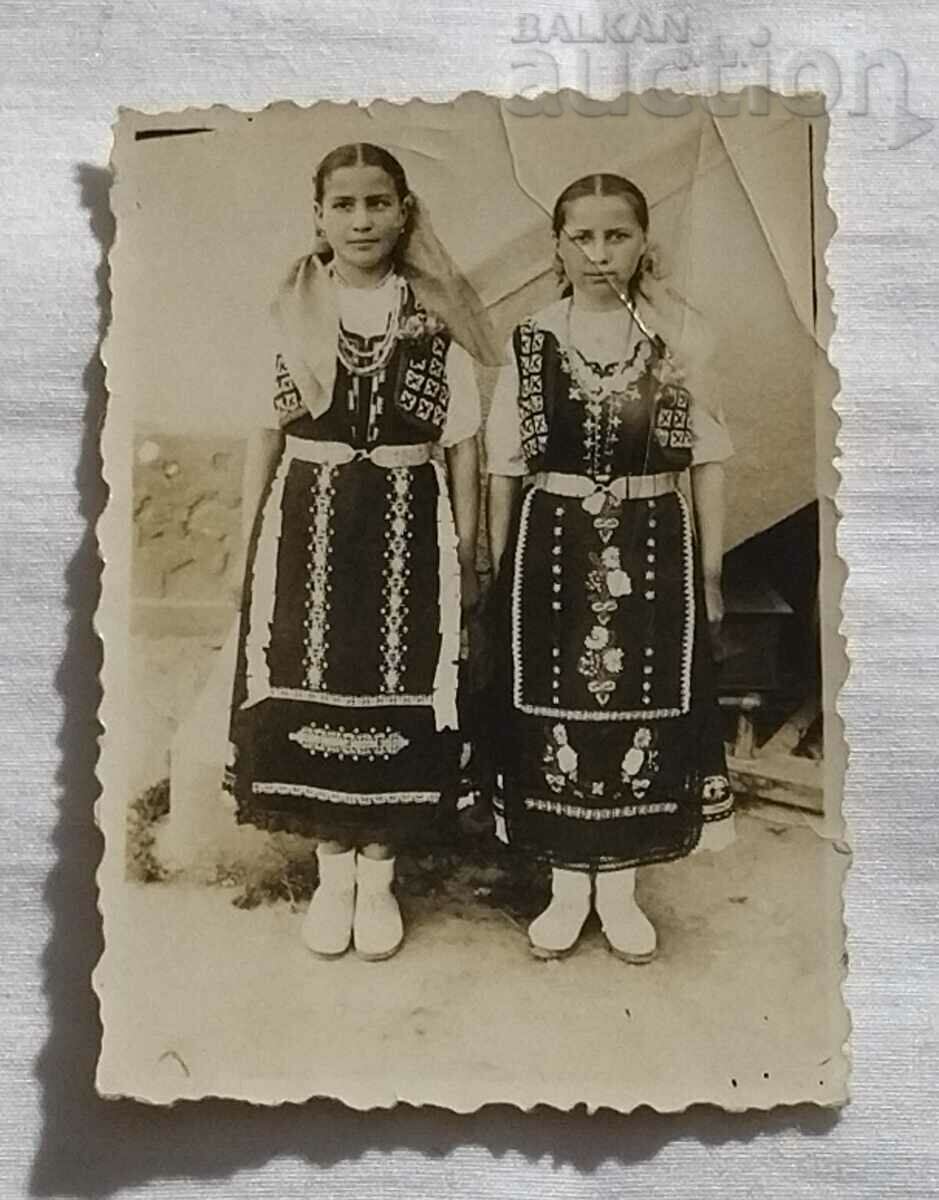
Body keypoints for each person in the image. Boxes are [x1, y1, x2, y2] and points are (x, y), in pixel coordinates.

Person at [226, 142, 498, 962]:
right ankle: (330, 871)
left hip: (407, 525)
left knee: (405, 679)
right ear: (318, 215)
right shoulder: (290, 313)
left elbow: (462, 451)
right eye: (342, 205)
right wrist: (244, 546)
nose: (361, 220)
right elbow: (263, 436)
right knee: (311, 676)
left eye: (377, 203)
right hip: (305, 524)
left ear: (404, 210)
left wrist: (464, 546)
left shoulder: (435, 316)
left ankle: (377, 876)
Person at [485, 173, 735, 963]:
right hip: (550, 541)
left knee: (641, 699)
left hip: (654, 540)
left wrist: (713, 570)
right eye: (582, 236)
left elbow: (711, 461)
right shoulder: (530, 339)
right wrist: (493, 569)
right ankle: (566, 885)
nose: (599, 253)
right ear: (557, 245)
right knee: (554, 699)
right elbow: (502, 465)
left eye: (616, 235)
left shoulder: (677, 341)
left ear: (641, 243)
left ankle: (620, 887)